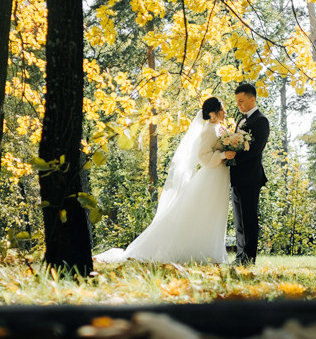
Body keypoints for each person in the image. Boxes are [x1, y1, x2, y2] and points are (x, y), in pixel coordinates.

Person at [94, 96, 231, 264]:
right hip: (211, 178)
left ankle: (211, 250)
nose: (225, 112)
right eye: (222, 109)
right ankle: (202, 251)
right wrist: (224, 154)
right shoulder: (209, 131)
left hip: (218, 177)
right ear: (212, 113)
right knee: (205, 213)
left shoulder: (218, 129)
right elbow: (202, 157)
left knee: (213, 214)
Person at [226, 82, 269, 264]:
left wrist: (233, 157)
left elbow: (255, 151)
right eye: (237, 102)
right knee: (239, 221)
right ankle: (240, 256)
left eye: (242, 101)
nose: (239, 105)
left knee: (249, 219)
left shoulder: (260, 121)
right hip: (237, 177)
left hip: (251, 177)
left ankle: (249, 258)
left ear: (253, 99)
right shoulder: (241, 120)